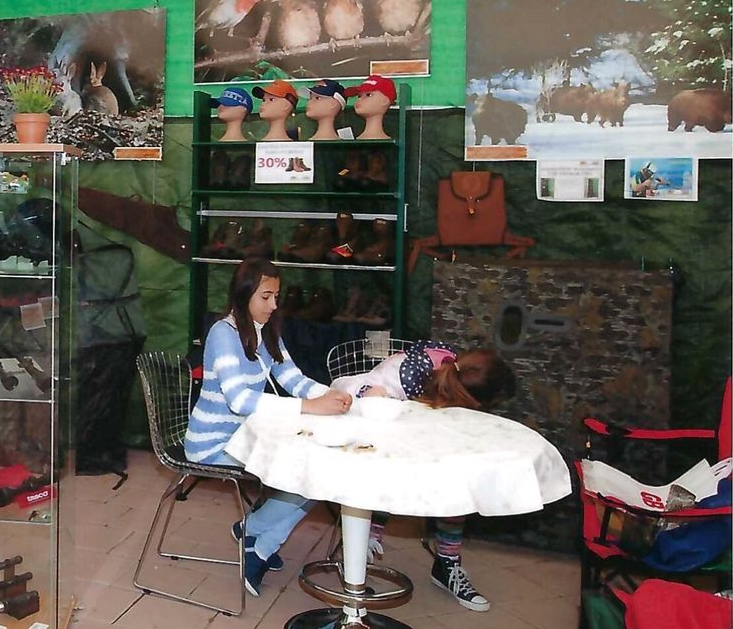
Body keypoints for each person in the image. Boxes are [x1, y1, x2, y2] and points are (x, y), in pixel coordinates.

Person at [185, 257, 352, 595]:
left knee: (313, 475)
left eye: (277, 296)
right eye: (265, 296)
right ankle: (259, 545)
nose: (274, 305)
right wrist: (309, 407)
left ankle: (254, 536)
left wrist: (333, 395)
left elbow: (292, 377)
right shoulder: (223, 333)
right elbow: (239, 399)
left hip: (245, 439)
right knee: (311, 479)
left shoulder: (264, 331)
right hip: (211, 444)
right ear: (243, 294)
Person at [331, 342, 518, 612]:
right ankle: (364, 548)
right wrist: (371, 395)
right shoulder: (402, 377)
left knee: (459, 479)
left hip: (424, 439)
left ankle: (446, 564)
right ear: (471, 400)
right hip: (375, 442)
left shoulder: (458, 372)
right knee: (387, 473)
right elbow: (346, 391)